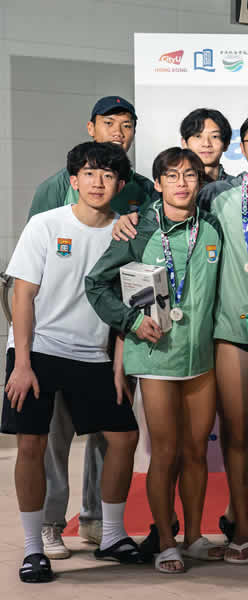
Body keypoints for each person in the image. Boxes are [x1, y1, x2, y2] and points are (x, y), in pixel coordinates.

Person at [113, 110, 248, 565]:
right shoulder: (217, 198)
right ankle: (242, 528)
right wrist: (132, 221)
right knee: (238, 437)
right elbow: (169, 218)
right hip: (228, 334)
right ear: (242, 147)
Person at [4, 142, 147, 583]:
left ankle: (111, 535)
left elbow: (128, 304)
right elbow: (21, 293)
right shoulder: (46, 225)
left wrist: (119, 364)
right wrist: (22, 362)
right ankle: (33, 548)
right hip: (40, 350)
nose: (98, 182)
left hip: (94, 354)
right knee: (32, 444)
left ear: (120, 185)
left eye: (107, 176)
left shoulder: (125, 234)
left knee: (123, 438)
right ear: (73, 180)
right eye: (89, 174)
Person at [85, 148, 226, 574]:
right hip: (156, 357)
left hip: (201, 357)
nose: (182, 183)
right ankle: (166, 540)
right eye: (172, 176)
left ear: (199, 183)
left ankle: (194, 535)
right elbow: (96, 284)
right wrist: (129, 322)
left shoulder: (214, 228)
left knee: (197, 451)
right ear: (158, 183)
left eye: (190, 175)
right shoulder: (140, 230)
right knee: (164, 452)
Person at [180, 108, 234, 183]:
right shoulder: (174, 187)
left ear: (226, 144)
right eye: (198, 136)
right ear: (184, 143)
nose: (206, 144)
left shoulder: (239, 188)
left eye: (214, 136)